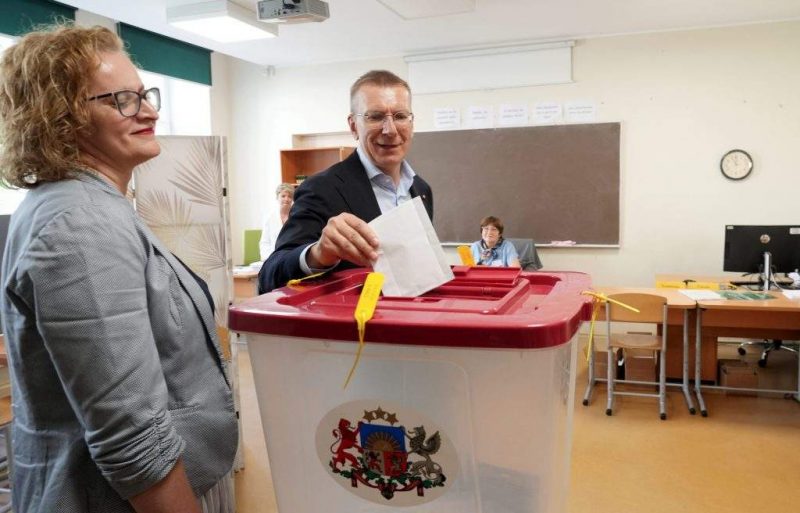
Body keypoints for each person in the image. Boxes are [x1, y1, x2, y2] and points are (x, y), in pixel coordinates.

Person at [0, 25, 237, 513]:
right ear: (60, 117)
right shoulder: (80, 223)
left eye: (144, 95)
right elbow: (133, 439)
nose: (149, 111)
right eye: (123, 100)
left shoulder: (85, 206)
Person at [258, 69, 433, 293]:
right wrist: (318, 253)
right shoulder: (320, 189)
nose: (390, 130)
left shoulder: (422, 190)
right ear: (353, 126)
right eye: (375, 116)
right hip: (355, 316)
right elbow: (269, 276)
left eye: (400, 116)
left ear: (411, 123)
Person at [258, 183, 294, 260]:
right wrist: (269, 259)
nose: (286, 199)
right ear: (277, 197)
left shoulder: (297, 216)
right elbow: (265, 242)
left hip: (292, 257)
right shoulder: (269, 218)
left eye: (290, 196)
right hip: (273, 257)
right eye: (283, 196)